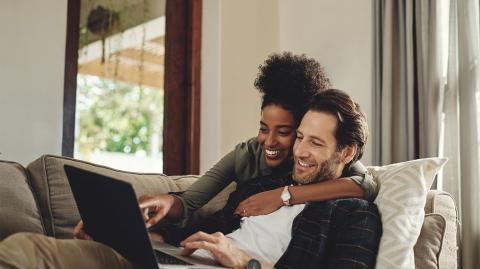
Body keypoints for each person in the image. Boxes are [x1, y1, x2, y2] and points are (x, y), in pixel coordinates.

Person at [136, 52, 377, 235]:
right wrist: (166, 201)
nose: (269, 141)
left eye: (283, 131)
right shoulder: (248, 154)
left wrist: (284, 196)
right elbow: (189, 202)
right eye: (263, 128)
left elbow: (365, 185)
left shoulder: (322, 160)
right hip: (229, 226)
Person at [158, 89, 382, 269]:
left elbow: (366, 185)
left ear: (347, 153)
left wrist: (245, 263)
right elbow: (201, 231)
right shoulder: (263, 187)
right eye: (300, 138)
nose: (299, 151)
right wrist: (150, 237)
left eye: (315, 143)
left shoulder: (354, 215)